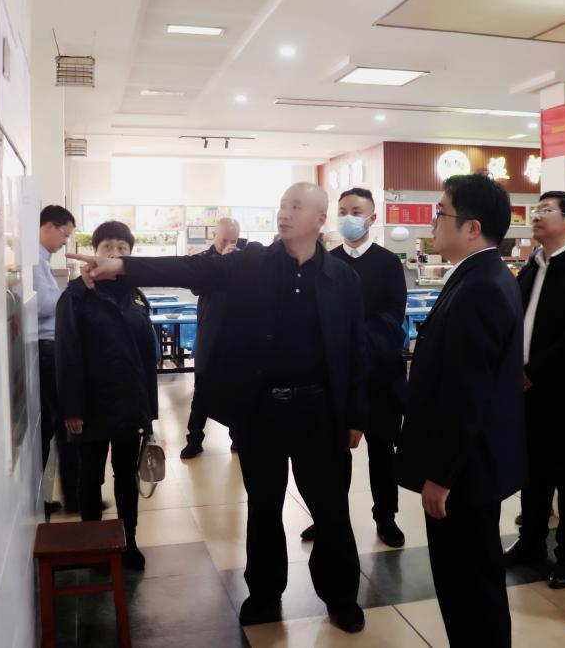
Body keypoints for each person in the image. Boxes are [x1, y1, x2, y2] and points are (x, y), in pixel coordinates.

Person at [69, 183, 368, 633]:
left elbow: (354, 350)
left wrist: (356, 415)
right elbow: (189, 266)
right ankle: (265, 594)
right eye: (282, 204)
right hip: (262, 411)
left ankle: (341, 596)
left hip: (320, 413)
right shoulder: (250, 263)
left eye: (296, 206)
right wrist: (123, 266)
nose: (284, 213)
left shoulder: (342, 278)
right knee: (263, 508)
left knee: (330, 510)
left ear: (319, 220)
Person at [397, 173, 527, 648]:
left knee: (468, 584)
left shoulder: (481, 286)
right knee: (469, 579)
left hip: (465, 472)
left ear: (472, 228)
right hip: (470, 466)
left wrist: (441, 474)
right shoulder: (478, 275)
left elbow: (466, 394)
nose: (432, 222)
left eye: (440, 213)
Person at [503, 191, 565, 590]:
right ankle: (530, 541)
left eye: (546, 210)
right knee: (532, 472)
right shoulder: (534, 264)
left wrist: (535, 372)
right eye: (536, 208)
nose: (536, 215)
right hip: (526, 389)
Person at [301, 188, 407, 547]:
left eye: (356, 211)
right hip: (335, 379)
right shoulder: (325, 262)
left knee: (382, 451)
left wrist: (350, 339)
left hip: (379, 377)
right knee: (331, 454)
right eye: (343, 210)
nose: (348, 217)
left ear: (372, 218)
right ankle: (328, 517)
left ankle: (386, 516)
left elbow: (393, 318)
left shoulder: (388, 263)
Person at [55, 221, 156, 570]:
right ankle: (95, 546)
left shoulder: (136, 295)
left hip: (129, 404)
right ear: (95, 251)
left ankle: (129, 542)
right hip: (91, 407)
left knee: (126, 478)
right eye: (108, 247)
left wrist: (149, 410)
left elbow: (147, 358)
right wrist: (72, 409)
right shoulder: (76, 295)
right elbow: (67, 354)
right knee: (90, 478)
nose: (114, 254)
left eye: (122, 248)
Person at [180, 217, 243, 459]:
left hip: (237, 333)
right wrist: (221, 261)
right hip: (210, 332)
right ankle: (194, 439)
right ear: (213, 237)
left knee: (238, 386)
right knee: (203, 388)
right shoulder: (203, 259)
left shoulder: (244, 257)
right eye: (224, 239)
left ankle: (238, 437)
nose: (229, 244)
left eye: (233, 240)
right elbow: (196, 287)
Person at [35, 204, 79, 515]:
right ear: (48, 226)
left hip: (49, 347)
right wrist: (72, 292)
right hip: (48, 349)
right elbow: (42, 304)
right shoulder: (34, 260)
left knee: (51, 427)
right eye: (64, 234)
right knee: (64, 423)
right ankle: (74, 497)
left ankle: (51, 497)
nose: (65, 241)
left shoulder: (41, 259)